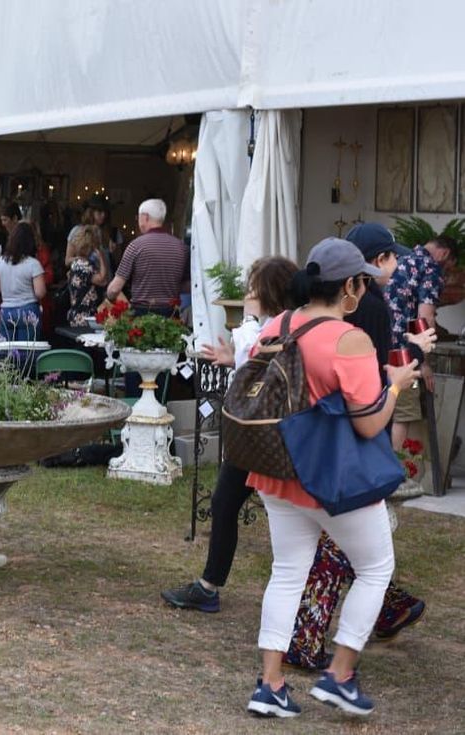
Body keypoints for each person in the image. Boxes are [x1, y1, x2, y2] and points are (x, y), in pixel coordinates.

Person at [245, 238, 418, 719]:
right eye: (362, 281)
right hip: (331, 477)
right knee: (376, 567)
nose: (363, 289)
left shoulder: (276, 326)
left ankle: (271, 684)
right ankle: (339, 674)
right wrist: (396, 386)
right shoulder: (351, 339)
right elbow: (368, 423)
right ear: (349, 286)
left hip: (277, 471)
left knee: (287, 572)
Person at [284, 222, 435, 670]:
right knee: (349, 550)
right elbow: (374, 382)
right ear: (359, 274)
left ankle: (374, 613)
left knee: (340, 548)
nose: (392, 265)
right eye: (386, 258)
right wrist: (411, 354)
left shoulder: (301, 316)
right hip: (347, 442)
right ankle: (324, 646)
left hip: (316, 440)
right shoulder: (369, 310)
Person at [161, 256, 299, 612]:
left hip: (267, 434)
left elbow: (265, 366)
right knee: (225, 503)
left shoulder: (281, 326)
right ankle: (208, 586)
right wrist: (234, 356)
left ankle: (379, 592)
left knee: (300, 521)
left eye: (253, 287)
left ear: (269, 291)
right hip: (259, 433)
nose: (248, 294)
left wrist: (239, 351)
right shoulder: (277, 324)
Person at [385, 234, 456, 452]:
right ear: (444, 254)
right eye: (450, 266)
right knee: (403, 413)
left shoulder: (400, 260)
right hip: (404, 355)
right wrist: (424, 362)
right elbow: (425, 317)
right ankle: (392, 478)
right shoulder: (431, 270)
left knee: (382, 409)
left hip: (380, 345)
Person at [105, 198, 187, 316]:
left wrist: (108, 296)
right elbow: (187, 286)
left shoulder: (136, 246)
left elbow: (114, 289)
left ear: (145, 217)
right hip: (171, 316)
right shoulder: (181, 247)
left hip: (142, 316)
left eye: (138, 217)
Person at [0, 221, 46, 341]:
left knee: (6, 354)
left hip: (6, 310)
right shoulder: (33, 264)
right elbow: (40, 292)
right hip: (28, 310)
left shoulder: (0, 262)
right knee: (27, 353)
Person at [65, 224, 105, 327]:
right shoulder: (87, 267)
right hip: (86, 317)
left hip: (74, 315)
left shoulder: (75, 264)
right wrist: (101, 258)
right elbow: (102, 279)